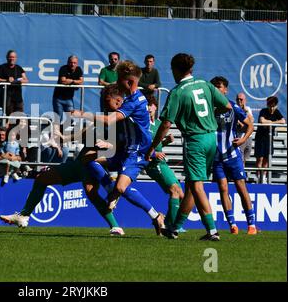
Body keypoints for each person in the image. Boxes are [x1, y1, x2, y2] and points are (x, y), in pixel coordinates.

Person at [0, 85, 129, 236]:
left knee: (92, 193)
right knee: (42, 178)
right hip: (79, 163)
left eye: (107, 101)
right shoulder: (104, 117)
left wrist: (107, 145)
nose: (104, 104)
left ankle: (116, 225)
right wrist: (65, 138)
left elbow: (123, 146)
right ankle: (24, 216)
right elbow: (86, 132)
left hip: (92, 165)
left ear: (119, 101)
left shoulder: (122, 121)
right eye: (103, 101)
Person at [72, 60, 166, 235]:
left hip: (138, 151)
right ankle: (110, 189)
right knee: (86, 158)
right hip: (125, 149)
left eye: (120, 79)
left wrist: (82, 114)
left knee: (122, 187)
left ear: (129, 82)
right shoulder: (129, 99)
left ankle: (156, 216)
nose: (117, 83)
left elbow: (109, 120)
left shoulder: (135, 101)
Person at [146, 53, 232, 241]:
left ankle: (212, 231)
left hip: (195, 140)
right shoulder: (205, 84)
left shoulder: (178, 92)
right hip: (211, 138)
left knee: (197, 186)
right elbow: (227, 106)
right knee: (193, 186)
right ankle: (175, 228)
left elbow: (166, 124)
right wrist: (209, 113)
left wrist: (153, 146)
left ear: (176, 69)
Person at [210, 76, 257, 235]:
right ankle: (232, 225)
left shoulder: (232, 106)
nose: (216, 89)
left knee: (241, 187)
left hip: (232, 155)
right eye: (214, 86)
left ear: (225, 90)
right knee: (223, 188)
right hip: (216, 157)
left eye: (219, 87)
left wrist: (243, 139)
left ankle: (251, 224)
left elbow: (250, 125)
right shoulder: (208, 107)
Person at [145, 95, 184, 228]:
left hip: (162, 163)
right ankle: (172, 225)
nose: (149, 108)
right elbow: (141, 147)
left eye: (151, 105)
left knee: (180, 193)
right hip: (153, 164)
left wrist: (166, 141)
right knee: (174, 190)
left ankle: (166, 221)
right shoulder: (143, 125)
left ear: (156, 107)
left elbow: (157, 144)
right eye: (147, 105)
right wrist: (155, 154)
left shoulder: (157, 124)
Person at [254, 96, 285, 183]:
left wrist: (271, 122)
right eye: (270, 106)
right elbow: (261, 120)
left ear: (276, 106)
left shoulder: (277, 112)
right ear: (267, 105)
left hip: (269, 139)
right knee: (259, 158)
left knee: (266, 159)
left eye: (273, 106)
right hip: (260, 138)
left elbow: (283, 121)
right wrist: (271, 122)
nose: (271, 108)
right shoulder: (263, 111)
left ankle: (264, 177)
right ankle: (258, 176)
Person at [0, 50, 29, 116]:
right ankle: (7, 125)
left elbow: (26, 80)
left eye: (14, 57)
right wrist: (7, 80)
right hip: (7, 98)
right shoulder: (2, 67)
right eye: (10, 57)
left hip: (18, 98)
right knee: (9, 117)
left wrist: (20, 81)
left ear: (16, 58)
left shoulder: (19, 68)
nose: (12, 59)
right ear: (7, 57)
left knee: (20, 116)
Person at [53, 55, 84, 123]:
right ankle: (54, 133)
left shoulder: (78, 69)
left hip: (69, 98)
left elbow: (81, 81)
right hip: (58, 98)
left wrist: (71, 81)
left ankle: (67, 132)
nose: (72, 64)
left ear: (77, 63)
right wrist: (75, 81)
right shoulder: (63, 68)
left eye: (74, 63)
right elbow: (63, 81)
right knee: (58, 118)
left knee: (72, 118)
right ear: (67, 62)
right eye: (71, 62)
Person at [235, 92, 254, 168]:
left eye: (241, 99)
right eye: (238, 99)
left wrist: (246, 110)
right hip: (240, 137)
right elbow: (240, 125)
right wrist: (246, 126)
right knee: (240, 159)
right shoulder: (235, 109)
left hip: (248, 137)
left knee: (245, 159)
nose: (239, 101)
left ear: (245, 100)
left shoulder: (248, 109)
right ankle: (240, 176)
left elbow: (251, 121)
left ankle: (242, 175)